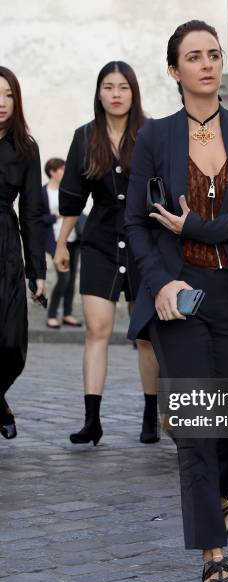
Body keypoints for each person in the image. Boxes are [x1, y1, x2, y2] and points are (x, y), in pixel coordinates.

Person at [125, 21, 228, 582]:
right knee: (198, 428)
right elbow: (137, 223)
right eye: (194, 57)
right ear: (175, 71)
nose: (208, 64)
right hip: (179, 298)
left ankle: (217, 498)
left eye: (214, 54)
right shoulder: (155, 137)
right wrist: (160, 281)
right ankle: (215, 555)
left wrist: (199, 227)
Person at [54, 61, 160, 445]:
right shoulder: (85, 137)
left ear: (134, 92)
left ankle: (152, 416)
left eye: (123, 87)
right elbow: (71, 196)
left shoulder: (152, 133)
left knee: (146, 334)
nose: (116, 93)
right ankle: (91, 421)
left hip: (143, 240)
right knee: (95, 330)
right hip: (99, 240)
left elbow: (162, 189)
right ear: (99, 93)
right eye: (108, 86)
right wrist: (63, 242)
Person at [0, 66, 46, 440]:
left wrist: (37, 270)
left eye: (9, 95)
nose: (1, 103)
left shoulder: (26, 150)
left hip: (5, 244)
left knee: (12, 341)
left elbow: (32, 212)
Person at [42, 157, 82, 329]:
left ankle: (67, 313)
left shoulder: (67, 190)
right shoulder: (43, 192)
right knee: (63, 278)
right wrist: (55, 215)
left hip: (74, 239)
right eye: (61, 169)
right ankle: (51, 314)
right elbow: (36, 217)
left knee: (72, 279)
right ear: (52, 172)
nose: (65, 173)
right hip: (55, 241)